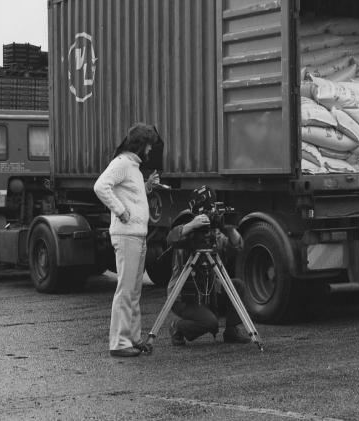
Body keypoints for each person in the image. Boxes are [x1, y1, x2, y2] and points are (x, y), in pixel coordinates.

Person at [94, 123, 162, 358]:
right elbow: (101, 186)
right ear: (141, 145)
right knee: (126, 289)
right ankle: (119, 342)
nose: (151, 150)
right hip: (127, 235)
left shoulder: (132, 166)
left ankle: (132, 338)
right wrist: (120, 211)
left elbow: (129, 192)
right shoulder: (122, 163)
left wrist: (147, 187)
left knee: (133, 291)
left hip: (137, 235)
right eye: (149, 145)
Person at [166, 188, 252, 346]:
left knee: (237, 285)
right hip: (184, 297)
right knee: (211, 322)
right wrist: (192, 225)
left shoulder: (213, 234)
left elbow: (237, 247)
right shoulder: (187, 230)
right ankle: (177, 327)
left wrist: (230, 229)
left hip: (208, 293)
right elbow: (171, 238)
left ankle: (232, 331)